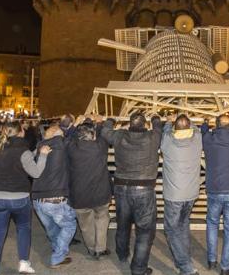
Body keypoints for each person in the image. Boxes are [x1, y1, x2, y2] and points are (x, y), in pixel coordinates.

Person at [101, 112, 162, 275]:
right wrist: (155, 117)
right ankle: (138, 268)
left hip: (121, 187)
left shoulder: (120, 135)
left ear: (129, 124)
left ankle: (122, 255)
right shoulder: (152, 137)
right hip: (144, 190)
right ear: (144, 125)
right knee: (144, 231)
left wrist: (111, 119)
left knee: (123, 224)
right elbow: (158, 127)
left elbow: (105, 132)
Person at [0, 121, 51, 275]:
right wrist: (42, 156)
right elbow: (35, 173)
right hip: (19, 198)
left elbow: (15, 163)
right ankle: (23, 263)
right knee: (23, 230)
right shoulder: (23, 150)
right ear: (20, 132)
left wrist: (33, 154)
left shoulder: (0, 148)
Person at [201, 115, 229, 275]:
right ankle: (226, 267)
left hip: (214, 189)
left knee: (212, 224)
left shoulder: (208, 140)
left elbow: (204, 130)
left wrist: (206, 123)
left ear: (216, 126)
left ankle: (211, 260)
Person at [160, 114, 202, 275]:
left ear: (175, 128)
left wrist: (169, 120)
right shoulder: (197, 139)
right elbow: (196, 129)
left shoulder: (168, 141)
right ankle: (183, 258)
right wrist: (188, 119)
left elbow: (165, 131)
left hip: (173, 196)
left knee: (171, 229)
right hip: (191, 194)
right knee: (183, 226)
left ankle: (186, 267)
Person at [31, 124, 77, 269]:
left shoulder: (40, 147)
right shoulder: (63, 145)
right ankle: (57, 257)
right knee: (69, 225)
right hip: (55, 198)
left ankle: (57, 248)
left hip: (38, 199)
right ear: (59, 135)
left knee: (51, 228)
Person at [67, 115, 112, 260]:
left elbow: (68, 136)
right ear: (92, 135)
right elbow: (103, 134)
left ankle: (92, 249)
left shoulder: (72, 148)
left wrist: (75, 124)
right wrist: (99, 121)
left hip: (80, 196)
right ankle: (101, 248)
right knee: (102, 221)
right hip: (101, 194)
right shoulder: (100, 147)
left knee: (86, 225)